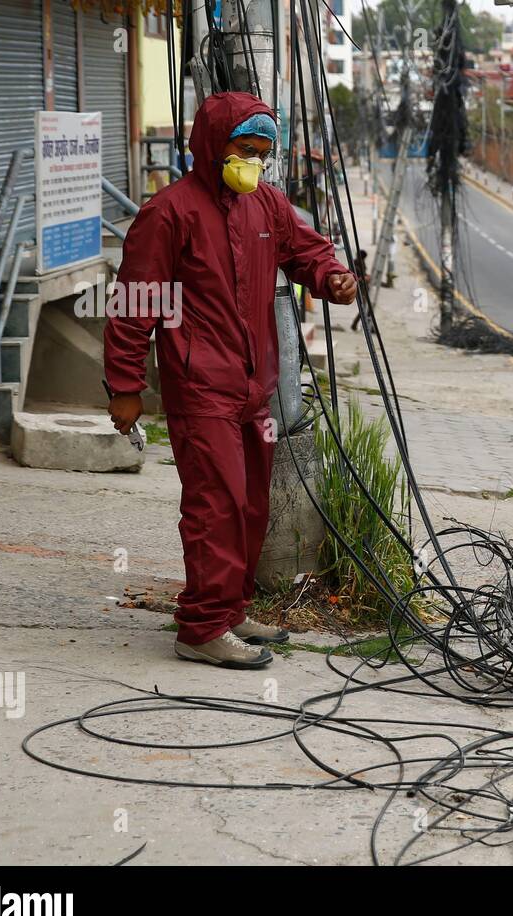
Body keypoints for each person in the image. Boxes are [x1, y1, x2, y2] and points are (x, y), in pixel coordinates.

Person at [105, 93, 357, 670]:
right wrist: (123, 386)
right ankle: (200, 627)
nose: (255, 163)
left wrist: (334, 277)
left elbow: (308, 251)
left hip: (255, 386)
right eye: (245, 151)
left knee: (249, 504)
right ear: (215, 147)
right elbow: (134, 305)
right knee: (215, 505)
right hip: (201, 387)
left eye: (263, 154)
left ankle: (230, 609)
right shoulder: (170, 213)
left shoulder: (264, 205)